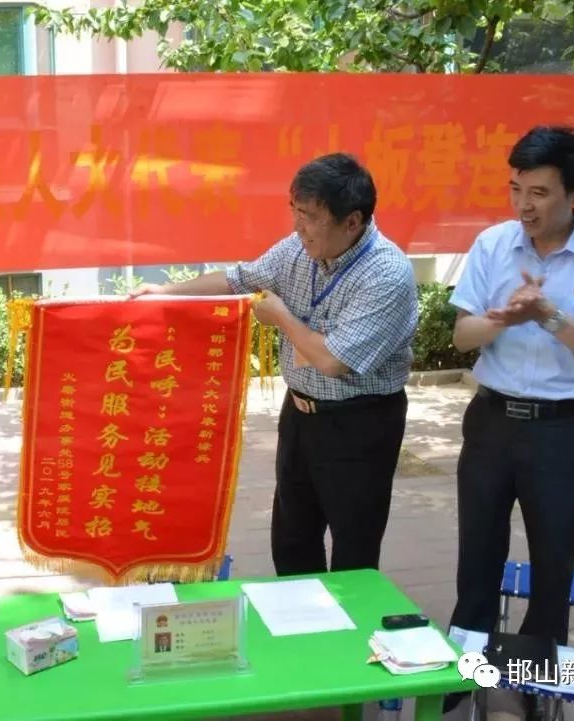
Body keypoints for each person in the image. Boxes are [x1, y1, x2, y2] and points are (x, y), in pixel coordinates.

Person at [132, 152, 418, 576]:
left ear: (352, 222)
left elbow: (334, 360)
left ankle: (347, 638)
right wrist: (166, 292)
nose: (298, 226)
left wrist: (282, 316)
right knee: (291, 539)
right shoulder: (298, 250)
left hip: (360, 425)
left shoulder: (386, 274)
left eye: (309, 216)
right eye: (295, 212)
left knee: (353, 549)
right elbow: (239, 279)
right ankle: (300, 632)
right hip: (300, 415)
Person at [443, 126, 574, 716]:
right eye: (515, 189)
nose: (523, 206)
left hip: (564, 432)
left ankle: (532, 685)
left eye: (539, 193)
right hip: (491, 422)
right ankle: (465, 678)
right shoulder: (492, 244)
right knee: (476, 557)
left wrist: (550, 315)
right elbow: (461, 336)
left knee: (553, 563)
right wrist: (505, 317)